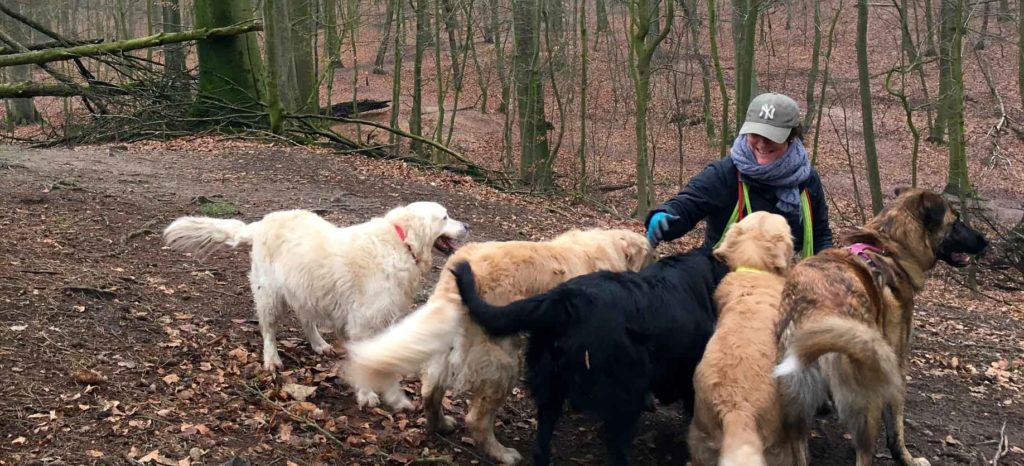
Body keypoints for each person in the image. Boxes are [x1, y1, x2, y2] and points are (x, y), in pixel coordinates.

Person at [646, 92, 833, 257]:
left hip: (786, 280)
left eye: (771, 137)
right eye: (755, 134)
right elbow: (688, 204)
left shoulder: (806, 179)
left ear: (791, 137)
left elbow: (820, 234)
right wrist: (666, 215)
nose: (761, 143)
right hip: (725, 280)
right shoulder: (725, 173)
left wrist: (829, 266)